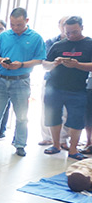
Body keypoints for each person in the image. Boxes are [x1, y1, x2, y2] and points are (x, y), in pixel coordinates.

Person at [0, 8, 47, 156]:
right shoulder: (4, 36)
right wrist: (2, 60)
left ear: (27, 21)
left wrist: (21, 64)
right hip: (1, 80)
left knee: (21, 116)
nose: (15, 27)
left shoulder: (36, 38)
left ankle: (20, 144)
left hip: (21, 81)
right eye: (12, 24)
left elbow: (40, 59)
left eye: (19, 24)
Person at [42, 16, 92, 160]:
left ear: (82, 27)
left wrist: (78, 65)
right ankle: (56, 144)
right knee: (53, 117)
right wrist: (55, 63)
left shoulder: (89, 44)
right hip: (54, 87)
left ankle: (73, 149)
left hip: (77, 89)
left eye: (74, 32)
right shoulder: (58, 45)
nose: (70, 35)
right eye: (67, 32)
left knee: (76, 119)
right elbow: (45, 65)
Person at [40, 16, 71, 147]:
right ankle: (47, 137)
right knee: (47, 109)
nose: (66, 28)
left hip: (70, 82)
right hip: (51, 79)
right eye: (64, 24)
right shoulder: (51, 41)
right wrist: (55, 63)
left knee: (65, 112)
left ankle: (63, 140)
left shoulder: (79, 43)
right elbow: (43, 61)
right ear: (59, 26)